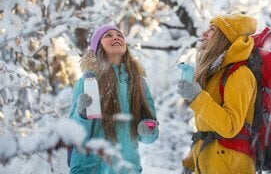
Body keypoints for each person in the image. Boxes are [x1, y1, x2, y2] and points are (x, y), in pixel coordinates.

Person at [68, 25, 159, 174]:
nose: (116, 37)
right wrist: (82, 114)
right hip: (90, 168)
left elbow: (150, 136)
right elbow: (74, 135)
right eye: (108, 35)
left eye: (119, 35)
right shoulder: (88, 81)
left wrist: (147, 130)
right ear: (98, 47)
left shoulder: (139, 83)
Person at [177, 14, 258, 174]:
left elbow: (230, 127)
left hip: (231, 167)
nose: (204, 34)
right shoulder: (216, 75)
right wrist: (190, 163)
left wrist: (197, 97)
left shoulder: (239, 74)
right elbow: (207, 131)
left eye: (212, 30)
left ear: (224, 38)